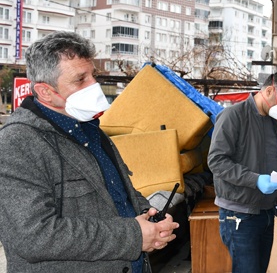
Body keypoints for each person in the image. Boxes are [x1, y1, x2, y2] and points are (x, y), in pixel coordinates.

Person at [0, 31, 179, 273]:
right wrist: (133, 236)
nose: (94, 85)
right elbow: (35, 236)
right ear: (44, 91)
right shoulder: (17, 143)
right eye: (80, 79)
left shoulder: (91, 130)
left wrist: (150, 217)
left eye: (92, 75)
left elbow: (118, 192)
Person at [208, 70, 277, 273]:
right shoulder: (233, 116)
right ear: (269, 90)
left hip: (267, 213)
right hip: (240, 215)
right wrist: (255, 180)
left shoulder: (274, 123)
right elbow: (216, 161)